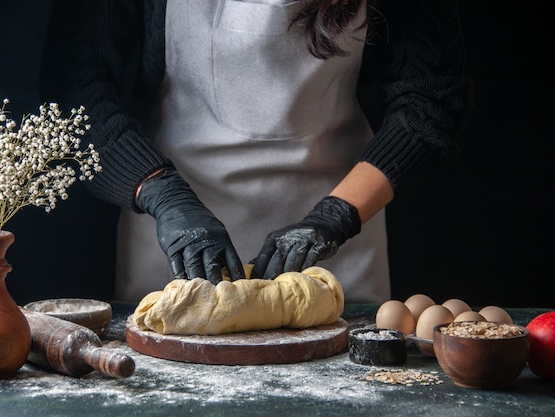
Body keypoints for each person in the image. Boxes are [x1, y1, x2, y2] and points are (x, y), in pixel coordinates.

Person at [41, 0, 472, 303]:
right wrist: (162, 195)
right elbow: (75, 88)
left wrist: (335, 216)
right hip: (174, 242)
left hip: (339, 242)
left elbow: (430, 98)